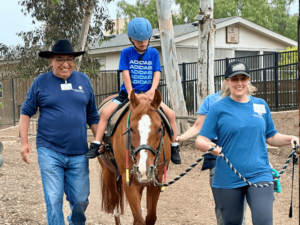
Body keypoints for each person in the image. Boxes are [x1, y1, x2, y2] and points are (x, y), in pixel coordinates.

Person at [195, 60, 299, 225]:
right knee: (232, 222)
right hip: (228, 176)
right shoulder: (217, 108)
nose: (239, 83)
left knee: (264, 220)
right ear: (227, 81)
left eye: (243, 78)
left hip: (259, 174)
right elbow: (201, 139)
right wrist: (209, 147)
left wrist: (290, 139)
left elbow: (271, 136)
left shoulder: (261, 105)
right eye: (235, 79)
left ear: (248, 80)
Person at [19, 39, 99, 225]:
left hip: (79, 152)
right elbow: (26, 112)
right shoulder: (41, 82)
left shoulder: (84, 81)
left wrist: (98, 139)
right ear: (51, 61)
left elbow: (93, 115)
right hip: (49, 150)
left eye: (69, 59)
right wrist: (24, 143)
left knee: (80, 200)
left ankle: (73, 221)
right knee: (54, 198)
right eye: (59, 59)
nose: (65, 64)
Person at [85, 17, 181, 164]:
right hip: (128, 94)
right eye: (138, 40)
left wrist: (153, 90)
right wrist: (131, 94)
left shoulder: (154, 53)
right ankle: (97, 142)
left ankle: (174, 146)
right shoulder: (126, 53)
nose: (143, 43)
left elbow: (157, 73)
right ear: (131, 39)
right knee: (105, 113)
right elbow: (126, 74)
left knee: (171, 114)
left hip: (149, 95)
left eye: (145, 39)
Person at [176, 88, 246, 225]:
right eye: (232, 78)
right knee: (222, 205)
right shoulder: (211, 100)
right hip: (215, 152)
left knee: (240, 203)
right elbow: (197, 126)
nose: (237, 81)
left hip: (240, 152)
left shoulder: (247, 100)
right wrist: (180, 138)